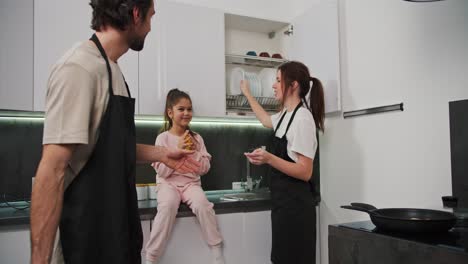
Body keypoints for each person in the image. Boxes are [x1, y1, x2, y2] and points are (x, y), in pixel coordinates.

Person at [30, 1, 201, 263]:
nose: (150, 27)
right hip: (85, 238)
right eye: (150, 17)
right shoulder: (79, 68)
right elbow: (50, 171)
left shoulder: (113, 70)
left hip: (116, 232)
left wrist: (164, 154)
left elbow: (108, 147)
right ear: (135, 15)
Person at [240, 61, 325, 264]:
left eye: (278, 80)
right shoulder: (286, 114)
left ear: (293, 85)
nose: (273, 85)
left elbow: (305, 171)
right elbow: (265, 120)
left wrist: (269, 158)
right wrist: (248, 94)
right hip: (283, 205)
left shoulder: (302, 119)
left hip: (297, 209)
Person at [144, 89, 225, 264]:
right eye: (181, 109)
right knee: (166, 206)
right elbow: (162, 172)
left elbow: (204, 169)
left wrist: (194, 152)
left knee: (203, 205)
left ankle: (216, 249)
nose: (186, 113)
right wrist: (177, 152)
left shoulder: (197, 138)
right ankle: (151, 257)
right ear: (170, 112)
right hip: (168, 184)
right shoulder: (162, 138)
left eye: (189, 109)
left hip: (191, 184)